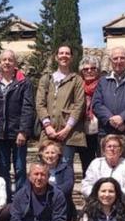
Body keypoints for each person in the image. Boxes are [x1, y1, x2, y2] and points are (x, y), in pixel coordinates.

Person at [0, 49, 35, 197]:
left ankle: (20, 199)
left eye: (10, 60)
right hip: (0, 134)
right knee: (3, 169)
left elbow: (28, 107)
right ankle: (6, 199)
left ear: (15, 63)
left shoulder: (24, 83)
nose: (7, 62)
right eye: (4, 60)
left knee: (20, 168)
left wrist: (23, 131)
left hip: (18, 133)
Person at [37, 45, 89, 173]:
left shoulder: (76, 80)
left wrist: (67, 129)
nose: (64, 56)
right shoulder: (46, 79)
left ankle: (65, 194)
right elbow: (39, 103)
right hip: (48, 132)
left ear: (71, 58)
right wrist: (47, 125)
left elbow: (79, 104)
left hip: (68, 134)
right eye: (61, 53)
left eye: (67, 53)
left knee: (65, 169)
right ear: (56, 57)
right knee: (44, 169)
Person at [81, 135, 125, 221]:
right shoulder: (95, 164)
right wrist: (100, 194)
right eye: (109, 146)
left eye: (115, 147)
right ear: (103, 150)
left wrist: (117, 193)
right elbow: (86, 185)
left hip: (124, 206)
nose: (112, 149)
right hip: (99, 205)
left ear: (121, 151)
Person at [39, 139, 77, 221]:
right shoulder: (37, 169)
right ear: (42, 154)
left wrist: (48, 191)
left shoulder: (66, 168)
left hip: (62, 203)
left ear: (58, 154)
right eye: (47, 153)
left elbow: (68, 186)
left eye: (53, 153)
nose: (50, 156)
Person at [78, 56, 103, 170]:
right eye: (86, 69)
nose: (89, 71)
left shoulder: (104, 85)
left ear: (98, 71)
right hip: (83, 131)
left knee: (102, 163)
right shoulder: (78, 87)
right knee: (86, 165)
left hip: (101, 130)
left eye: (93, 68)